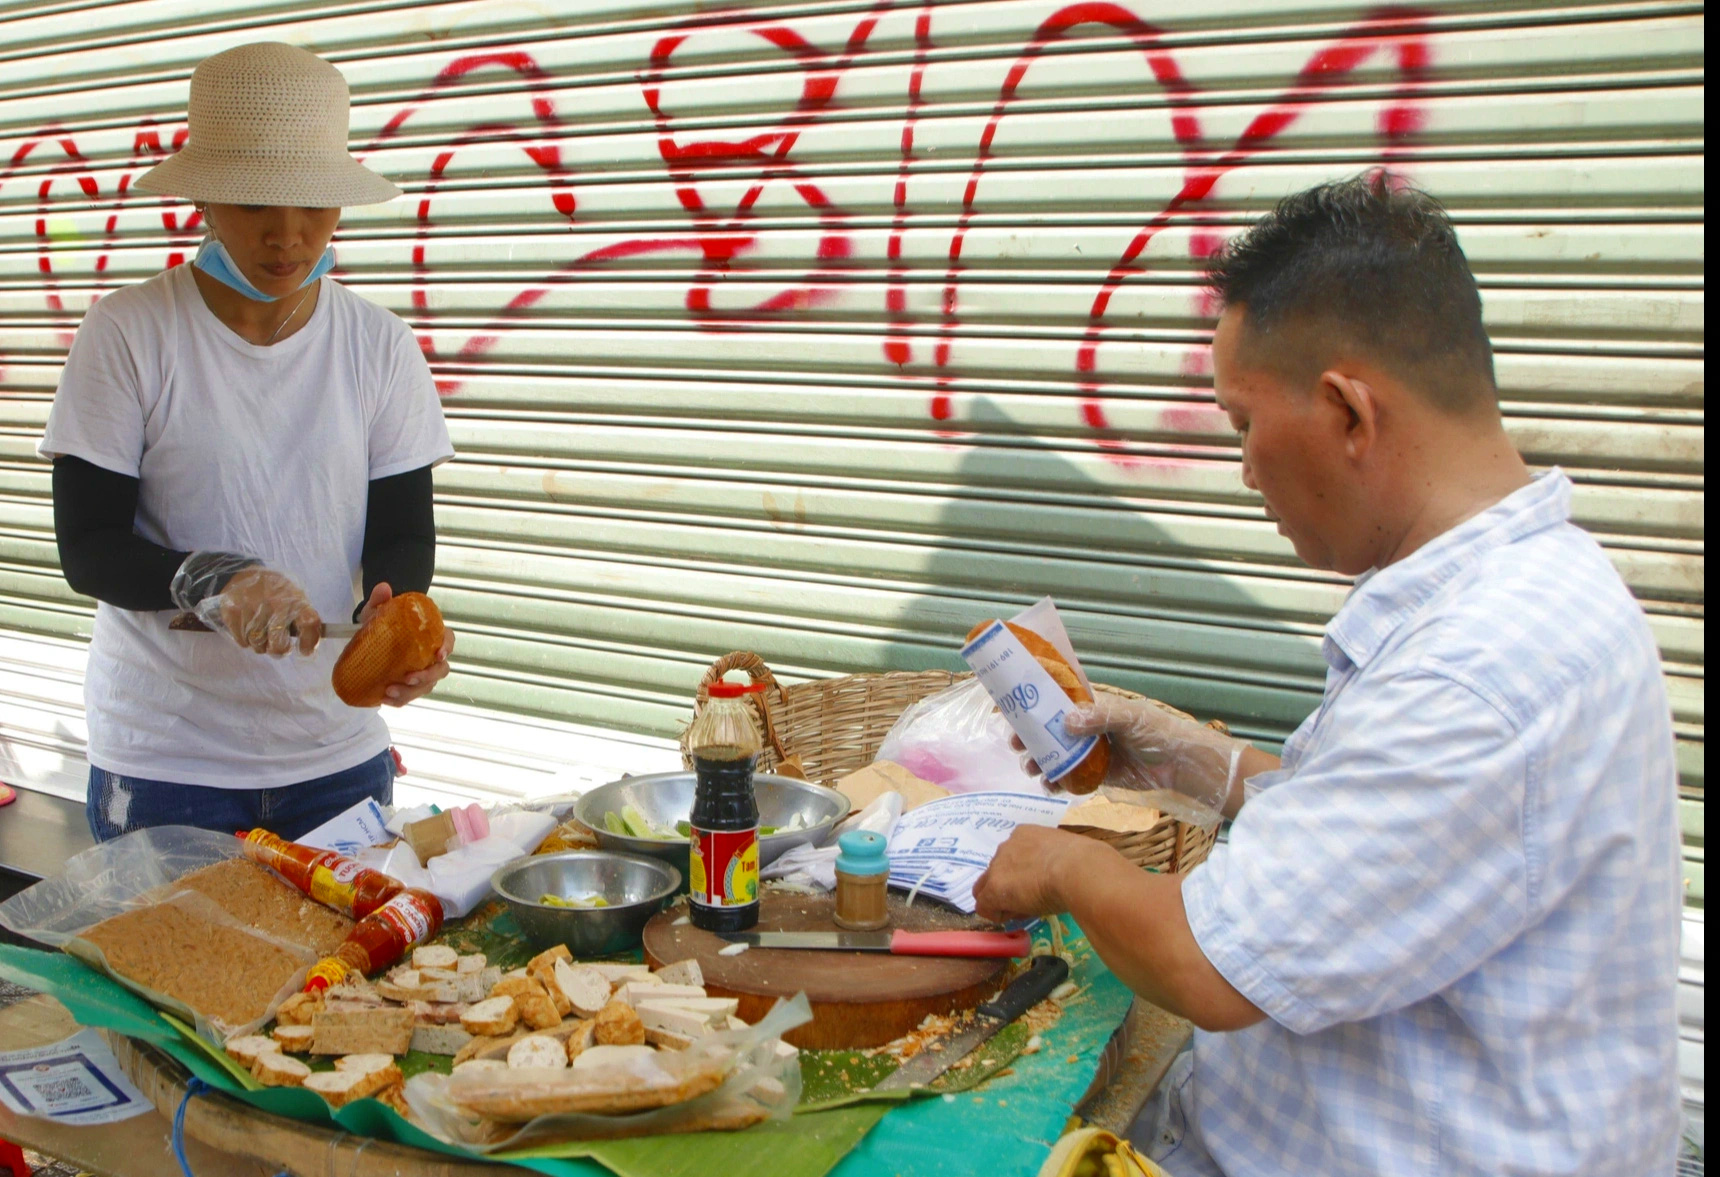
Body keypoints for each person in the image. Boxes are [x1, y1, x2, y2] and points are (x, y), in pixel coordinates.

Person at [972, 174, 1682, 1176]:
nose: (1247, 469)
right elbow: (1371, 831)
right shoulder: (1519, 590)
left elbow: (1208, 963)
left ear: (1349, 411)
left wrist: (1058, 862)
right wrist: (1189, 758)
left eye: (1239, 424)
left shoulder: (1479, 669)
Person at [41, 43, 455, 842]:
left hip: (336, 757)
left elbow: (404, 530)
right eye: (257, 204)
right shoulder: (129, 335)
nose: (289, 237)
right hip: (168, 767)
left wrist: (395, 619)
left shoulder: (378, 346)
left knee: (345, 973)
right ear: (203, 200)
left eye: (315, 206)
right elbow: (87, 547)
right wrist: (216, 581)